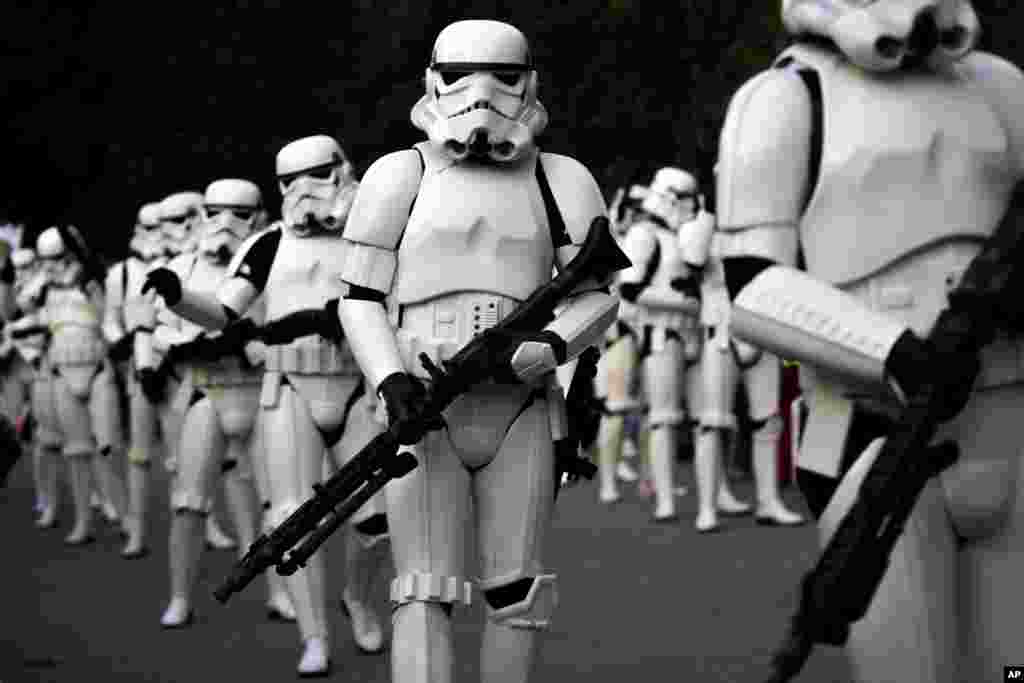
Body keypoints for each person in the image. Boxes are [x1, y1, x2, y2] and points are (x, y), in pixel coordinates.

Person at [717, 1, 1024, 679]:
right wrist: (892, 352)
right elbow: (753, 285)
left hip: (1011, 416)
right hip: (869, 427)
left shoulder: (1000, 87)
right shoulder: (786, 97)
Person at [327, 19, 622, 683]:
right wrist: (389, 380)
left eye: (503, 76)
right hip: (424, 408)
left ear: (530, 83)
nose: (480, 92)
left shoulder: (562, 178)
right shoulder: (398, 175)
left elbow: (599, 295)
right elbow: (358, 297)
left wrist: (547, 345)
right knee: (422, 588)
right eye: (459, 75)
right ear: (432, 79)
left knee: (518, 592)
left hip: (519, 406)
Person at [145, 136, 389, 676]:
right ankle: (315, 635)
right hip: (290, 387)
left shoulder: (369, 236)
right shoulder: (269, 245)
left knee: (377, 521)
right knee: (290, 517)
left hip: (353, 385)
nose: (303, 189)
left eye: (317, 174)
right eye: (289, 180)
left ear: (342, 171)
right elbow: (225, 310)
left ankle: (358, 598)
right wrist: (178, 295)